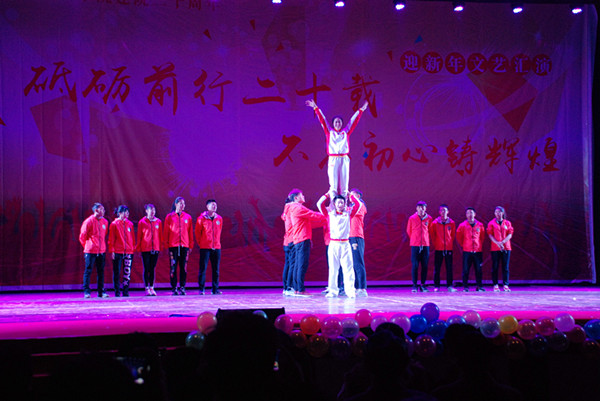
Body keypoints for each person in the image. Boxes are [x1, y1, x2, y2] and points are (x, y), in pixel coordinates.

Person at [305, 99, 368, 198]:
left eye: (339, 122)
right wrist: (315, 107)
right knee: (333, 185)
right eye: (336, 122)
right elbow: (323, 120)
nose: (337, 123)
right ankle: (333, 205)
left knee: (344, 186)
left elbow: (353, 121)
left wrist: (361, 110)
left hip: (344, 159)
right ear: (333, 123)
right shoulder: (329, 132)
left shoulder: (346, 132)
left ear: (342, 124)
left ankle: (344, 205)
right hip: (333, 160)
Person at [317, 192, 361, 298]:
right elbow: (319, 204)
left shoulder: (348, 213)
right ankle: (332, 291)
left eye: (342, 202)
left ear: (345, 204)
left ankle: (350, 291)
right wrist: (328, 194)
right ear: (334, 204)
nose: (340, 204)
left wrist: (350, 195)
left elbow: (358, 205)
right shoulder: (329, 214)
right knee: (333, 269)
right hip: (334, 244)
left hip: (345, 244)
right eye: (338, 202)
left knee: (348, 268)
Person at [288, 188, 326, 296]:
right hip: (302, 239)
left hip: (299, 239)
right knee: (301, 265)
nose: (303, 196)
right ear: (296, 197)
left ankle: (297, 289)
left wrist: (324, 220)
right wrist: (328, 214)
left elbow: (309, 222)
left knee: (298, 265)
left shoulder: (294, 208)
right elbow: (313, 215)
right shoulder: (298, 207)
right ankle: (300, 289)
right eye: (302, 195)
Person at [163, 197, 193, 296]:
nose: (183, 205)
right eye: (181, 203)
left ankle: (182, 287)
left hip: (184, 246)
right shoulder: (169, 217)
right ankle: (174, 287)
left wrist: (190, 245)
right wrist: (166, 245)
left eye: (184, 203)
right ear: (176, 204)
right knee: (173, 267)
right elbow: (166, 232)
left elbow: (190, 232)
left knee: (183, 267)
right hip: (173, 246)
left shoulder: (187, 217)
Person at [79, 202, 109, 298]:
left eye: (104, 209)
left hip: (101, 251)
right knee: (88, 271)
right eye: (101, 209)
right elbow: (82, 236)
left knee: (101, 271)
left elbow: (104, 235)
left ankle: (101, 292)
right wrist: (88, 246)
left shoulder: (105, 222)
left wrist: (101, 247)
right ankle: (87, 292)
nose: (103, 211)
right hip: (90, 251)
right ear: (96, 210)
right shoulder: (88, 221)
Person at [196, 199, 223, 295]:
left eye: (215, 205)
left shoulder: (219, 218)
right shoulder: (201, 218)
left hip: (216, 247)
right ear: (207, 207)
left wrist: (216, 243)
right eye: (212, 205)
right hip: (205, 247)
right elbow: (197, 233)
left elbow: (219, 231)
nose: (214, 206)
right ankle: (201, 289)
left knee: (216, 269)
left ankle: (215, 289)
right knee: (203, 269)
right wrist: (202, 243)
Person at [108, 205, 135, 297]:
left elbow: (132, 237)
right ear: (119, 213)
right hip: (118, 251)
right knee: (117, 272)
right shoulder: (114, 224)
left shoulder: (130, 224)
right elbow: (111, 238)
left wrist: (132, 248)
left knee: (127, 273)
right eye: (125, 212)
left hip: (128, 252)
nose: (127, 213)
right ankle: (117, 291)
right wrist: (112, 251)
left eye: (128, 212)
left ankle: (125, 291)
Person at [456, 207, 486, 292]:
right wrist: (465, 245)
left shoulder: (480, 225)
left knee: (478, 270)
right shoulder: (462, 225)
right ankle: (465, 287)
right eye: (468, 213)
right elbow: (459, 237)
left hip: (477, 251)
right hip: (467, 251)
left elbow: (482, 237)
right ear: (466, 215)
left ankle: (479, 286)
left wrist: (477, 246)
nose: (470, 215)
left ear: (475, 214)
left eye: (471, 213)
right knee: (466, 270)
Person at [406, 201, 432, 292]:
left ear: (425, 209)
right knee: (415, 265)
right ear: (417, 208)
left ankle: (423, 285)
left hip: (425, 245)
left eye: (423, 207)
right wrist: (415, 239)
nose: (421, 209)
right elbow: (409, 231)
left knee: (425, 265)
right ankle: (414, 285)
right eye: (419, 207)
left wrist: (424, 239)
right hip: (415, 245)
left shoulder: (429, 218)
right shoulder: (412, 218)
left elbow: (430, 230)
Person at [430, 204, 457, 292]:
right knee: (437, 268)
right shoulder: (435, 223)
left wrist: (449, 243)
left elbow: (452, 235)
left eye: (445, 210)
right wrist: (437, 244)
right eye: (441, 210)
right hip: (439, 248)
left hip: (448, 248)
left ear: (448, 212)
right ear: (439, 212)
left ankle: (449, 286)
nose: (443, 212)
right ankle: (436, 286)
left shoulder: (451, 223)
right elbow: (432, 235)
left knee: (449, 268)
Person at [136, 203, 162, 296]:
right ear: (146, 211)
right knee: (146, 268)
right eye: (151, 210)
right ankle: (146, 288)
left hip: (155, 248)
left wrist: (160, 247)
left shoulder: (158, 222)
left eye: (154, 210)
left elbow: (160, 235)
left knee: (152, 268)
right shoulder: (142, 222)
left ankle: (152, 287)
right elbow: (139, 236)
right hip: (145, 249)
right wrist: (138, 248)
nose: (153, 212)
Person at [487, 206, 514, 292]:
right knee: (495, 267)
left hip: (506, 247)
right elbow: (490, 235)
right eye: (496, 212)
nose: (498, 214)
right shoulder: (491, 223)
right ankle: (495, 285)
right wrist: (498, 243)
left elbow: (510, 234)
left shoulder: (507, 223)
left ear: (503, 213)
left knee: (505, 267)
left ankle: (505, 285)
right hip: (495, 248)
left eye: (499, 212)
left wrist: (503, 242)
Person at [349, 188, 368, 297]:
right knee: (352, 263)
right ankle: (356, 287)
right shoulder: (352, 206)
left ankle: (362, 288)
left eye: (352, 195)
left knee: (358, 262)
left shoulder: (361, 205)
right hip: (350, 236)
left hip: (356, 236)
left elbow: (355, 210)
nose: (350, 197)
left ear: (358, 196)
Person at [281, 198, 295, 296]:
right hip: (291, 241)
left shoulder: (285, 212)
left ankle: (286, 287)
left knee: (288, 264)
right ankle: (288, 287)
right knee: (291, 265)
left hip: (286, 241)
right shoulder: (291, 212)